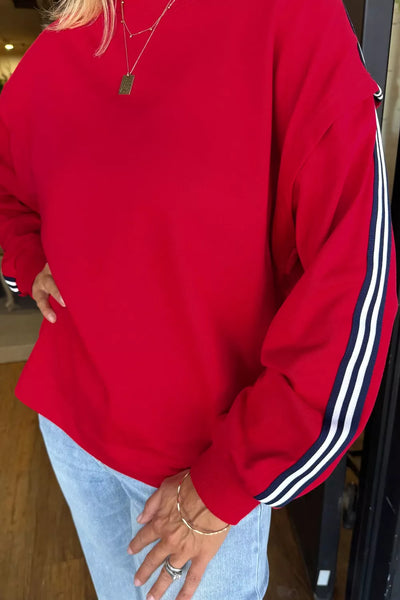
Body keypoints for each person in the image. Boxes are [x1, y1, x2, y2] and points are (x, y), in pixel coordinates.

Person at [0, 0, 398, 597]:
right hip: (73, 426)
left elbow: (350, 290)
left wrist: (228, 484)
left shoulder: (292, 18)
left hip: (197, 471)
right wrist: (27, 259)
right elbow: (10, 180)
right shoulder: (72, 32)